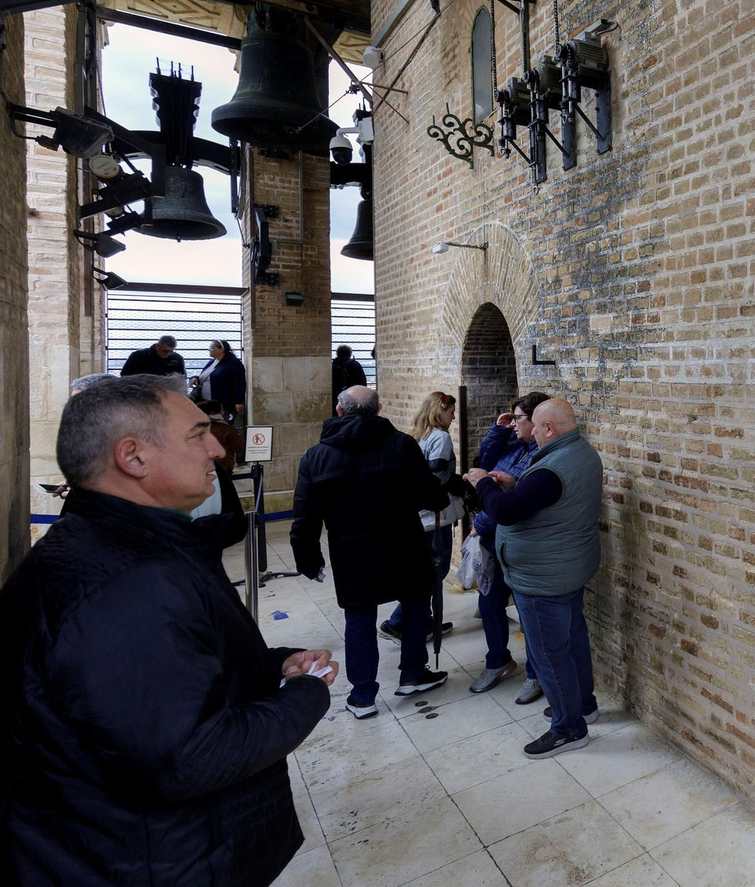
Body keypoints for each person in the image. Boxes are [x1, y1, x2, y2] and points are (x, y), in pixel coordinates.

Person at [0, 375, 337, 886]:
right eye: (197, 435)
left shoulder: (119, 547)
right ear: (133, 457)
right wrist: (307, 694)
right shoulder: (128, 582)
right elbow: (186, 757)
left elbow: (153, 685)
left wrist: (269, 664)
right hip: (147, 861)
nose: (216, 451)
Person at [290, 386, 450, 717]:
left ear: (339, 411)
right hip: (403, 542)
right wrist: (439, 498)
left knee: (360, 618)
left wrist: (309, 561)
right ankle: (413, 673)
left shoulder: (315, 457)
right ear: (378, 411)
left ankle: (362, 696)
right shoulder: (402, 445)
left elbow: (305, 516)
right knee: (416, 604)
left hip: (352, 552)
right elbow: (429, 494)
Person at [467, 397, 602, 758]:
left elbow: (505, 512)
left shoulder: (551, 467)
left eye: (535, 426)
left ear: (548, 428)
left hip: (543, 577)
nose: (529, 432)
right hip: (567, 568)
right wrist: (514, 483)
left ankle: (569, 728)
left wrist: (483, 483)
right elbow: (546, 498)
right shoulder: (581, 452)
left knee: (548, 654)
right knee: (572, 640)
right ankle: (583, 705)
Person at [466, 390, 551, 699]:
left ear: (538, 420)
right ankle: (497, 661)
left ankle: (535, 673)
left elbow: (510, 505)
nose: (514, 423)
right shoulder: (514, 443)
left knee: (528, 611)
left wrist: (481, 522)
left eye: (518, 418)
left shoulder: (540, 456)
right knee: (489, 604)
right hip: (493, 539)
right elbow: (485, 465)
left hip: (517, 542)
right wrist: (497, 431)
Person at [379, 392, 466, 643]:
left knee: (426, 570)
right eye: (451, 413)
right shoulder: (440, 437)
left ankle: (425, 621)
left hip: (418, 515)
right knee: (433, 573)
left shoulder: (417, 436)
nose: (452, 418)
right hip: (434, 515)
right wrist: (459, 484)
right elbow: (437, 475)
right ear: (441, 410)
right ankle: (396, 622)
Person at [190, 338, 246, 423]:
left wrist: (239, 401)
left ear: (221, 349)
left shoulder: (234, 363)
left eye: (212, 348)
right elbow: (205, 376)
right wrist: (195, 378)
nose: (209, 350)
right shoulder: (212, 362)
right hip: (207, 401)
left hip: (224, 403)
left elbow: (239, 382)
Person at [120, 334, 185, 377]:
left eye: (171, 351)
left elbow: (182, 378)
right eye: (165, 351)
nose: (168, 354)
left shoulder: (177, 359)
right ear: (157, 346)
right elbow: (125, 375)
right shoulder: (138, 356)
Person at [330, 345, 367, 415]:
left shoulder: (332, 365)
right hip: (353, 397)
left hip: (335, 397)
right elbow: (362, 382)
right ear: (350, 353)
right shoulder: (354, 364)